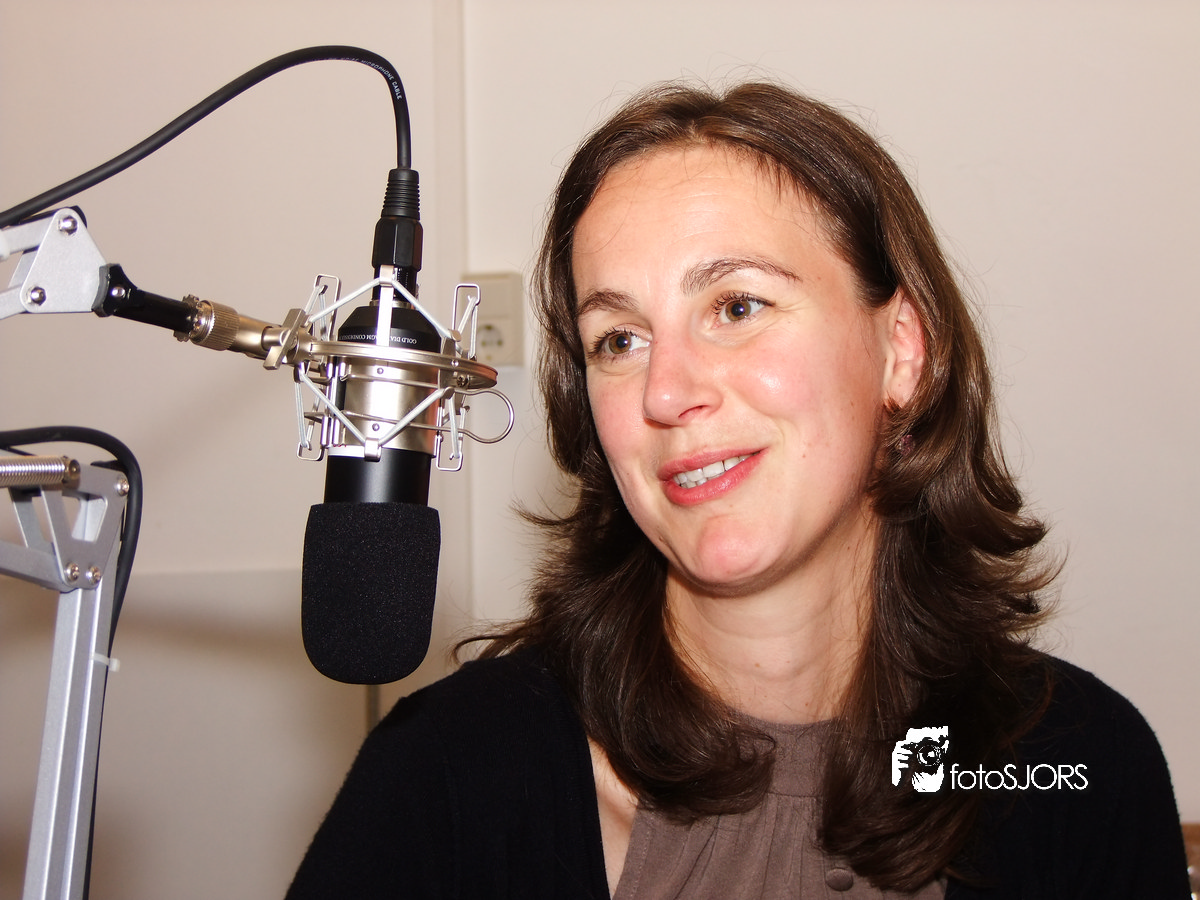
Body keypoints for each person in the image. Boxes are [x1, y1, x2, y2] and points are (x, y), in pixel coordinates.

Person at [286, 81, 1190, 898]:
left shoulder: (1077, 768)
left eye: (736, 307)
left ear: (901, 352)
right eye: (619, 339)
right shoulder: (447, 780)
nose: (666, 392)